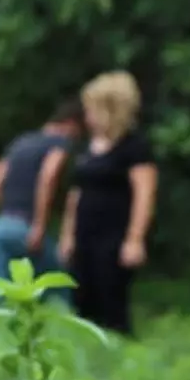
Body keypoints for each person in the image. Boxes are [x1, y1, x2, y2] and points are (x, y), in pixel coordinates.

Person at [59, 71, 158, 335]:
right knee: (81, 295)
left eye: (92, 109)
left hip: (113, 234)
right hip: (84, 232)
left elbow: (144, 193)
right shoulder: (87, 147)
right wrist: (67, 235)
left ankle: (118, 347)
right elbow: (76, 192)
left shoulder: (133, 147)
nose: (87, 116)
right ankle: (90, 347)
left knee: (111, 295)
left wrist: (135, 239)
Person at [0, 100, 84, 313]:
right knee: (60, 284)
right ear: (72, 124)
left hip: (2, 224)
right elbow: (48, 177)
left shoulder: (21, 142)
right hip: (27, 227)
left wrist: (10, 206)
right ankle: (72, 332)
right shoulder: (59, 143)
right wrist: (38, 224)